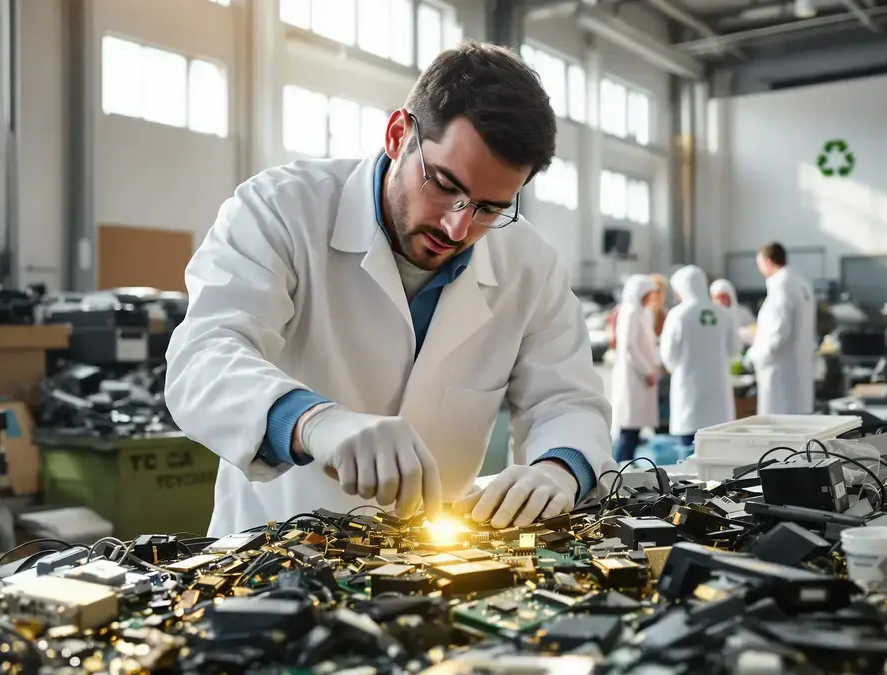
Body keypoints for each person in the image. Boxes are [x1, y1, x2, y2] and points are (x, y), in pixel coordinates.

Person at [164, 43, 616, 536]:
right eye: (444, 184)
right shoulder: (280, 210)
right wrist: (315, 422)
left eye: (489, 208)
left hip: (434, 561)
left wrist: (558, 467)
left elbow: (567, 401)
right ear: (398, 135)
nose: (457, 227)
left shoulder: (530, 264)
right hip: (272, 552)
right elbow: (204, 356)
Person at [659, 266, 740, 447]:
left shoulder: (678, 315)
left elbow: (668, 355)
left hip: (689, 393)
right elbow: (735, 349)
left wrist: (680, 369)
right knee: (718, 451)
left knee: (689, 455)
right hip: (719, 398)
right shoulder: (723, 314)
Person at [747, 242, 817, 415]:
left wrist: (756, 355)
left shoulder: (782, 286)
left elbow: (779, 332)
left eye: (760, 264)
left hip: (780, 374)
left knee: (781, 430)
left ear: (768, 261)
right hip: (797, 372)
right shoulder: (801, 284)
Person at [610, 275, 663, 462]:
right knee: (628, 429)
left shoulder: (643, 312)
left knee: (636, 428)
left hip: (644, 378)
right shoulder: (630, 312)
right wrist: (646, 371)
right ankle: (617, 470)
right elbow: (629, 347)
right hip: (633, 378)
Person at [709, 279, 756, 345]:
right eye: (717, 298)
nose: (720, 301)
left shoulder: (743, 312)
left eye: (723, 297)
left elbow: (754, 330)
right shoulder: (710, 315)